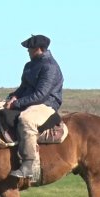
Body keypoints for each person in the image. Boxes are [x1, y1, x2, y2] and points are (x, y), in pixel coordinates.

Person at [4, 34, 64, 178]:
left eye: (30, 48)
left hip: (46, 104)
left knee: (26, 120)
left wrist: (16, 104)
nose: (28, 51)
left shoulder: (50, 67)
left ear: (39, 49)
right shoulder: (29, 65)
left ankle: (28, 164)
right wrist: (13, 96)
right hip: (28, 101)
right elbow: (23, 87)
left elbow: (41, 95)